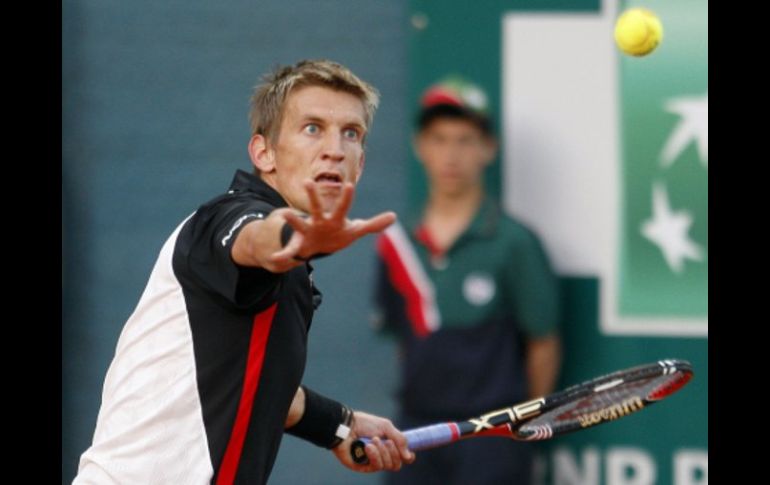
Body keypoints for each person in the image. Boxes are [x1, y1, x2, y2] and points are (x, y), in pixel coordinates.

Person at [74, 59, 415, 485]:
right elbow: (257, 239)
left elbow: (247, 384)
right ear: (263, 152)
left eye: (351, 133)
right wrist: (292, 241)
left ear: (360, 164)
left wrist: (339, 425)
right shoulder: (227, 219)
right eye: (312, 128)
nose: (335, 148)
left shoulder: (290, 271)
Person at [371, 76, 562, 484]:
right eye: (439, 139)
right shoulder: (397, 242)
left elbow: (543, 345)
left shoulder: (514, 242)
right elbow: (403, 342)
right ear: (420, 146)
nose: (451, 155)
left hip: (491, 440)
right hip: (415, 435)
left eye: (464, 140)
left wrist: (515, 427)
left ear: (487, 149)